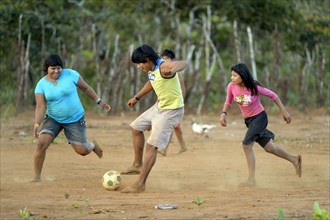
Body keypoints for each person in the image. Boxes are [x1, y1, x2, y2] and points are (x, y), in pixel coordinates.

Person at [219, 63, 302, 186]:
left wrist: (284, 111)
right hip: (249, 121)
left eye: (235, 75)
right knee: (269, 148)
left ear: (242, 76)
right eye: (231, 75)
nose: (232, 78)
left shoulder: (254, 88)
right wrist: (223, 113)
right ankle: (295, 160)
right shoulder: (231, 86)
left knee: (246, 146)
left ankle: (251, 180)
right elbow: (228, 101)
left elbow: (274, 96)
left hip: (259, 118)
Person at [32, 54, 111, 182]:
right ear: (47, 68)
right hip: (53, 119)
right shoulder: (41, 85)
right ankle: (36, 177)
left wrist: (99, 101)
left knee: (82, 151)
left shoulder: (71, 74)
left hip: (75, 119)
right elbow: (40, 106)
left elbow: (86, 88)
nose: (57, 71)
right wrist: (37, 124)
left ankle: (92, 145)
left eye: (59, 68)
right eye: (53, 68)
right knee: (41, 144)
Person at [121, 44, 187, 193]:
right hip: (159, 107)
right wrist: (137, 97)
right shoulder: (152, 70)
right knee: (135, 127)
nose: (139, 67)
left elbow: (183, 64)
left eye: (140, 63)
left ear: (148, 59)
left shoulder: (164, 66)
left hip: (171, 110)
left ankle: (140, 184)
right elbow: (152, 81)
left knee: (151, 146)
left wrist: (173, 68)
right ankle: (137, 164)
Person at [157, 49, 187, 156]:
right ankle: (183, 146)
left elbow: (182, 87)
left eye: (166, 59)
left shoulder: (174, 72)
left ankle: (164, 148)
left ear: (173, 60)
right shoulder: (163, 72)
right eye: (162, 59)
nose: (164, 61)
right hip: (170, 104)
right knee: (175, 126)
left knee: (170, 126)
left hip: (176, 105)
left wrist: (180, 101)